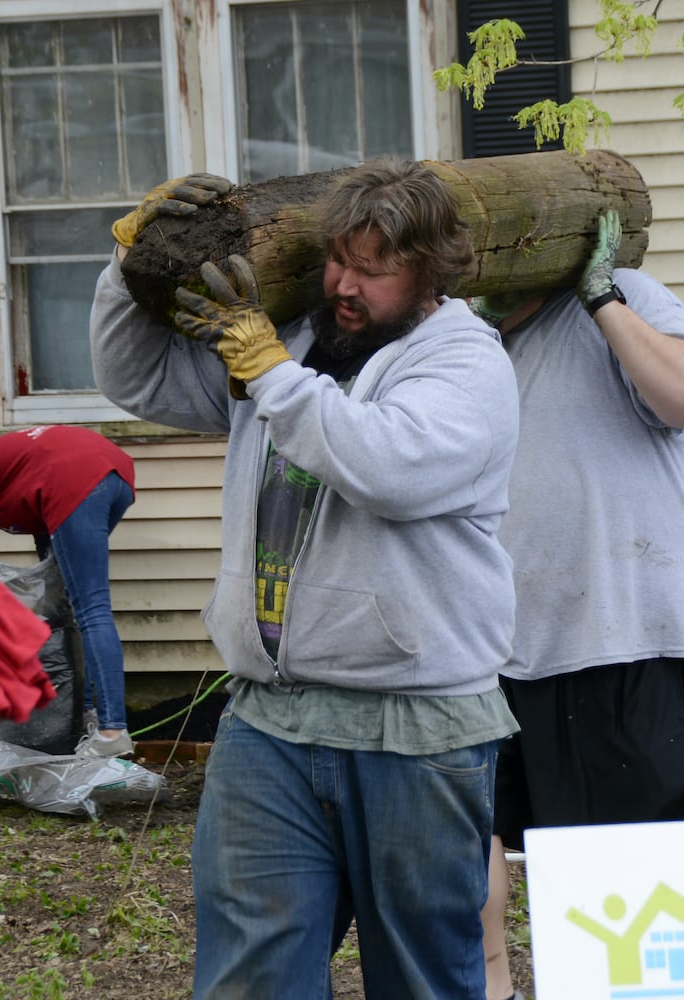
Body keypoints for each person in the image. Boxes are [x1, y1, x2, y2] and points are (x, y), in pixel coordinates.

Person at [91, 160, 521, 999]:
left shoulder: (468, 364)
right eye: (337, 261)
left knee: (425, 980)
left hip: (419, 726)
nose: (343, 285)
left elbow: (387, 465)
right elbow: (137, 377)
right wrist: (126, 263)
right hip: (270, 721)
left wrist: (269, 372)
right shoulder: (287, 346)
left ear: (431, 272)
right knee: (251, 978)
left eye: (372, 270)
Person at [472, 210, 684, 1000]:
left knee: (614, 884)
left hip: (615, 642)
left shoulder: (630, 299)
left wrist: (603, 297)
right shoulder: (462, 341)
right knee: (464, 854)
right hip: (481, 650)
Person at [0, 427, 137, 757]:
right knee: (73, 603)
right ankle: (86, 715)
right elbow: (51, 562)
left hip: (76, 478)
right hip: (116, 472)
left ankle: (113, 732)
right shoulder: (15, 468)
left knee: (91, 607)